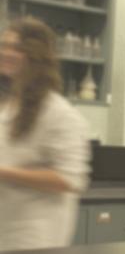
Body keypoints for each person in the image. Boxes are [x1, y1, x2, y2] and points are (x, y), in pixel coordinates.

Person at [0, 17, 91, 251]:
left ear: (37, 56)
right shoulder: (11, 105)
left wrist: (4, 172)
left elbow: (70, 178)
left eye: (17, 48)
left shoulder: (58, 112)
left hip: (36, 236)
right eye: (4, 45)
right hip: (7, 229)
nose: (6, 52)